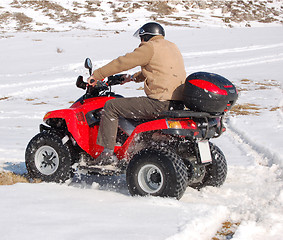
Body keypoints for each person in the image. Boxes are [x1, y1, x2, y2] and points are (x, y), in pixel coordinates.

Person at [87, 22, 186, 166]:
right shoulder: (171, 47)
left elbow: (123, 62)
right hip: (177, 103)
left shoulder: (150, 47)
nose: (141, 41)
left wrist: (97, 75)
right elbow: (157, 69)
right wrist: (132, 78)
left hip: (159, 103)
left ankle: (107, 154)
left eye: (141, 38)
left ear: (145, 36)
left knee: (111, 106)